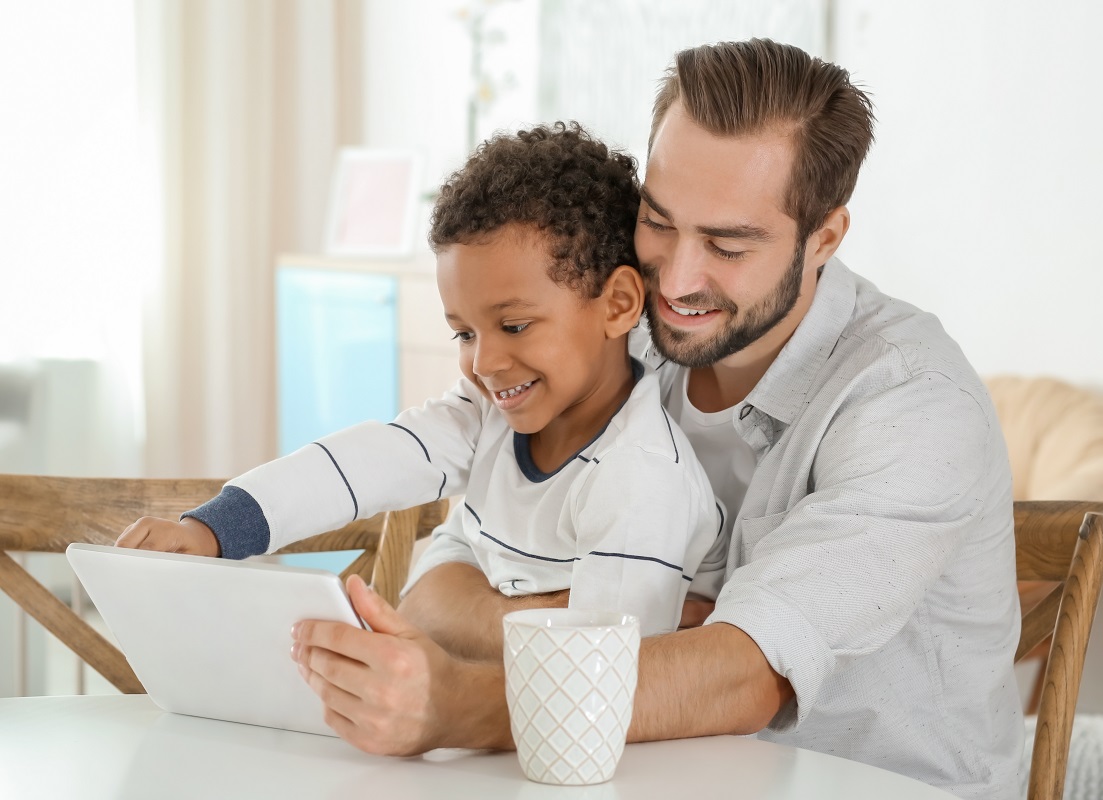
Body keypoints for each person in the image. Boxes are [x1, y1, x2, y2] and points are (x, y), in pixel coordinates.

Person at [285, 39, 1022, 800]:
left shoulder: (913, 406)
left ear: (824, 239)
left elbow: (740, 677)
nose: (675, 277)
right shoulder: (624, 326)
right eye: (659, 222)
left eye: (728, 243)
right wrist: (621, 625)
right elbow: (442, 581)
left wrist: (460, 703)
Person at [117, 122, 727, 641]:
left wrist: (451, 631)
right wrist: (212, 529)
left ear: (618, 303)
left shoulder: (640, 477)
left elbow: (599, 674)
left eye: (513, 325)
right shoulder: (489, 414)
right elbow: (361, 464)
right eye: (464, 333)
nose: (484, 363)